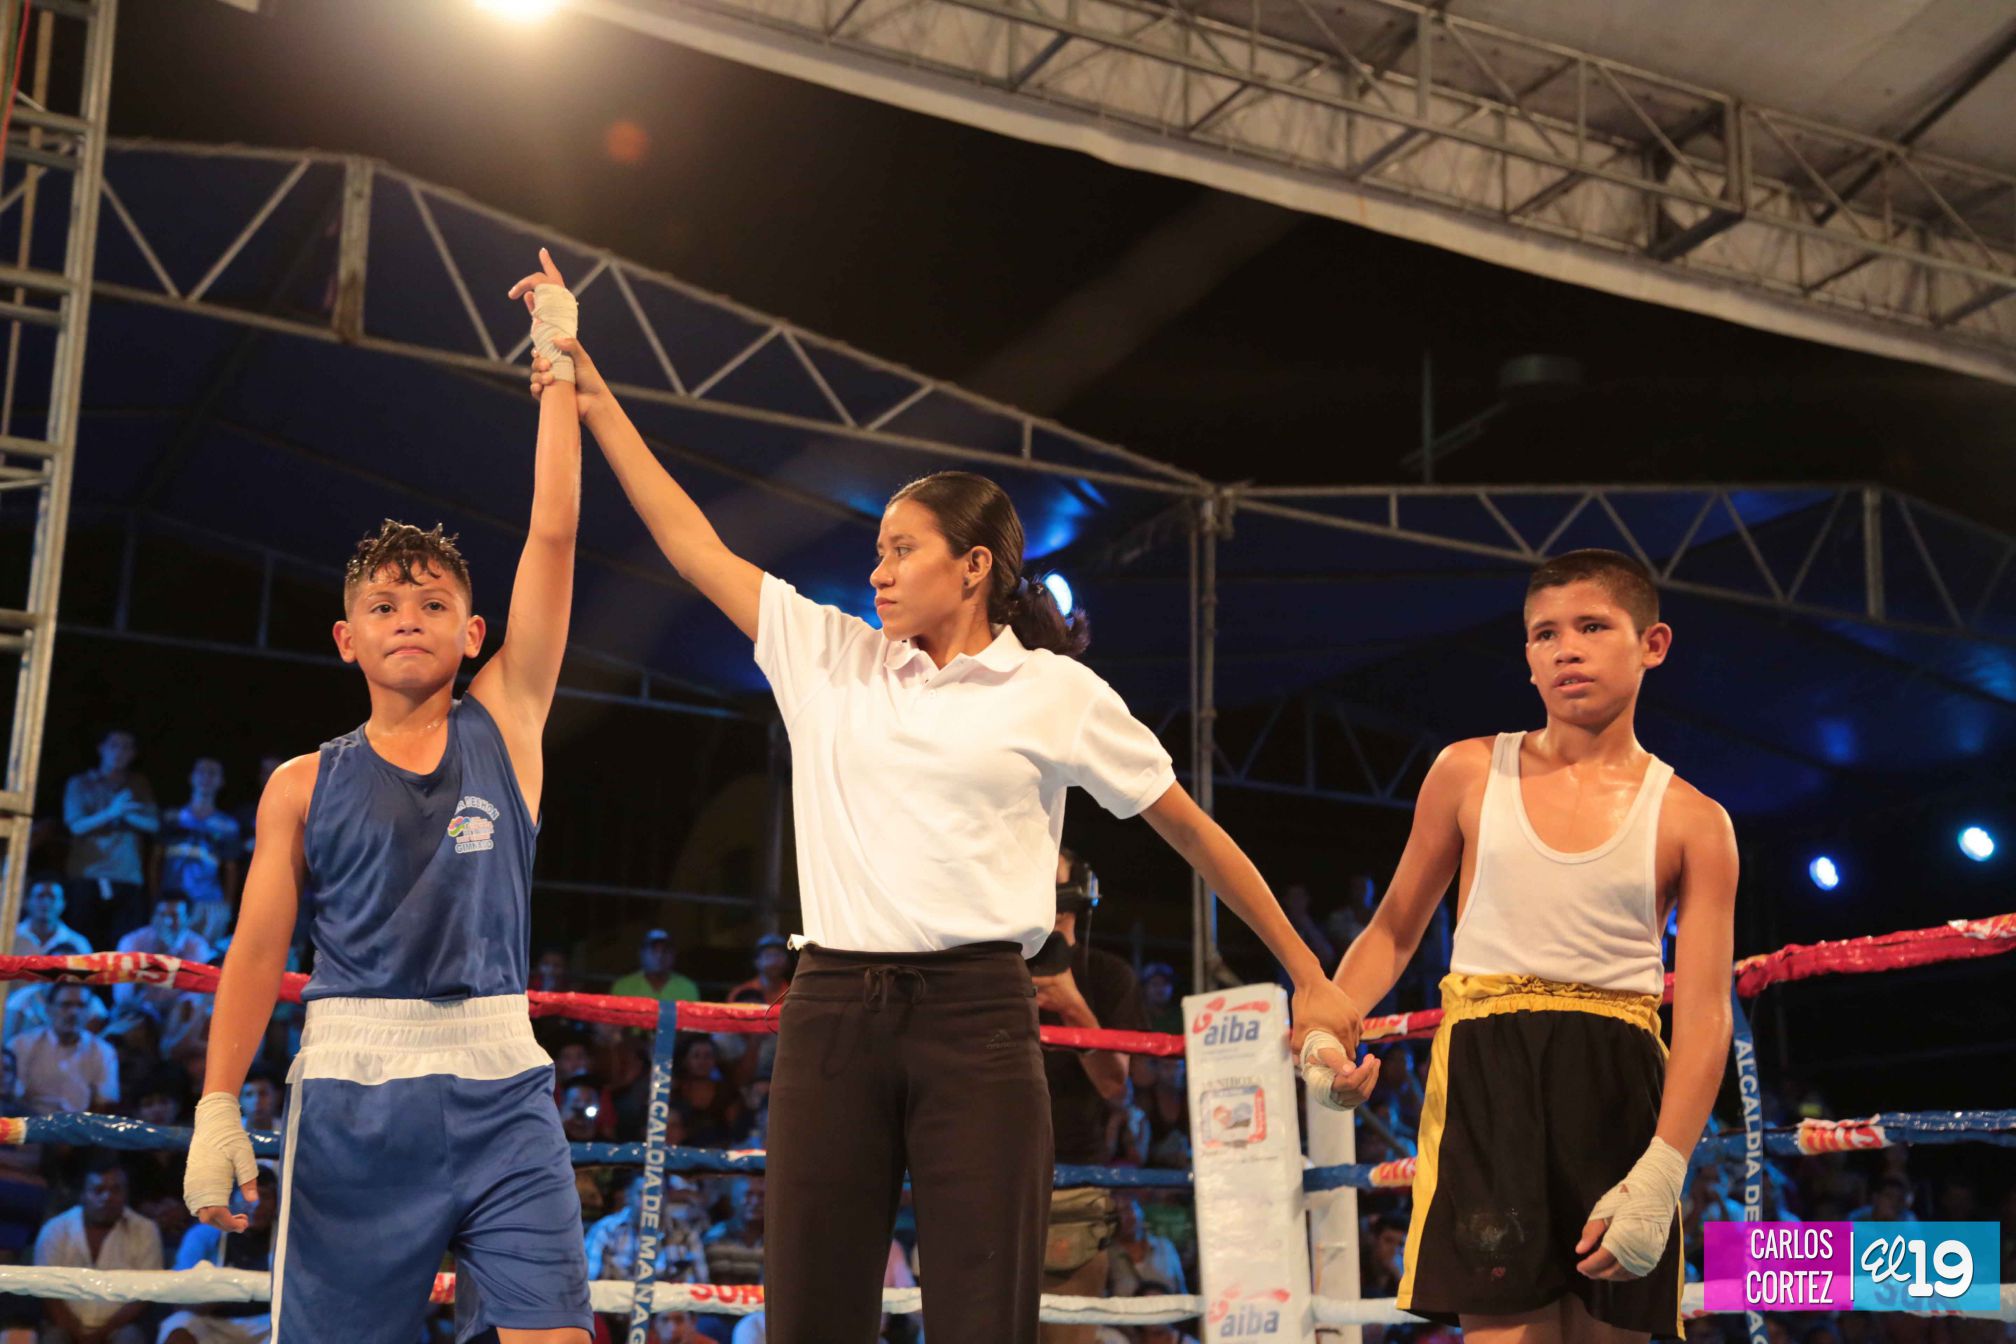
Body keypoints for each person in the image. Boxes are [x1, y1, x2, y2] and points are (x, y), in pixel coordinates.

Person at [529, 337, 1366, 1344]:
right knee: (809, 1321)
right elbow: (691, 544)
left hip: (979, 1019)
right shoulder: (829, 655)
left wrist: (1308, 972)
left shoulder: (1056, 692)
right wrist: (597, 398)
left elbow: (1192, 831)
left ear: (973, 567)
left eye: (900, 549)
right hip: (832, 1008)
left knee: (983, 1320)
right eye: (876, 550)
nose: (875, 569)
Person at [183, 250, 593, 1344]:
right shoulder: (300, 785)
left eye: (431, 600)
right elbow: (257, 951)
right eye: (382, 602)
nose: (405, 614)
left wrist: (558, 360)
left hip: (507, 1085)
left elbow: (553, 533)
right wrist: (219, 1103)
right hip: (356, 1094)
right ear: (347, 637)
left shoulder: (506, 722)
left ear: (472, 632)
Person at [1324, 549, 1740, 1344]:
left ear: (1652, 643)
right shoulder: (1469, 771)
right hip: (1489, 1076)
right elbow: (1394, 928)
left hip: (1619, 1081)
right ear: (1525, 655)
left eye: (1591, 626)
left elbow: (1707, 1011)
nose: (1565, 649)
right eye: (1543, 633)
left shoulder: (1695, 819)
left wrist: (1664, 1167)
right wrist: (1329, 1029)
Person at [1037, 849, 1145, 1344]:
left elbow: (1115, 1086)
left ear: (1080, 893)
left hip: (1072, 1191)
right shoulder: (986, 971)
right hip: (985, 1185)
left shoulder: (1106, 975)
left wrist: (1071, 1006)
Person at [33, 1156, 162, 1344]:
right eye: (98, 1190)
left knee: (130, 1338)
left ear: (126, 1193)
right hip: (65, 1326)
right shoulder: (56, 1228)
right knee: (55, 1338)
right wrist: (77, 1333)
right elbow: (46, 1290)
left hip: (120, 1327)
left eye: (115, 1189)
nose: (107, 1197)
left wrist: (101, 1333)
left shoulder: (145, 1230)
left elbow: (146, 1293)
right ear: (83, 1194)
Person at [62, 729, 159, 948]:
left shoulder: (138, 784)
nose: (120, 752)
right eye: (114, 745)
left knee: (123, 947)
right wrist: (112, 812)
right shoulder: (80, 783)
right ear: (101, 748)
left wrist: (126, 813)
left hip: (127, 877)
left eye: (126, 747)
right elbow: (76, 826)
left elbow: (153, 824)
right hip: (88, 876)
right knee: (83, 945)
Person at [162, 1164, 279, 1344]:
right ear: (232, 1198)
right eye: (248, 1195)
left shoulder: (287, 1239)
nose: (257, 1204)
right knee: (179, 1323)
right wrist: (217, 1294)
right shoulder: (202, 1235)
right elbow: (178, 1298)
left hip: (265, 1321)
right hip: (214, 1321)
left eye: (265, 1196)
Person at [152, 757, 243, 946]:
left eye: (212, 773)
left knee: (201, 956)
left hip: (208, 902)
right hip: (170, 898)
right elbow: (155, 859)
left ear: (221, 781)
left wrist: (226, 905)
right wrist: (154, 895)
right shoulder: (171, 817)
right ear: (191, 777)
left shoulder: (228, 825)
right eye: (201, 772)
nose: (206, 778)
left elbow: (231, 868)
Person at [5, 877, 92, 1040]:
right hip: (16, 1009)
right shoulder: (7, 939)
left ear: (63, 904)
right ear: (27, 901)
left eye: (52, 897)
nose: (45, 902)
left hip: (65, 1011)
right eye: (40, 896)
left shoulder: (79, 944)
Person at [12, 984, 118, 1113]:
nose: (73, 1012)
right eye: (65, 1005)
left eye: (81, 1006)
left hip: (80, 1127)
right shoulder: (21, 1045)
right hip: (30, 1123)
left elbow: (105, 1101)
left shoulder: (104, 1051)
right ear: (48, 1009)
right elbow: (12, 1096)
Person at [609, 930, 699, 1004]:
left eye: (665, 951)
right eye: (654, 951)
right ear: (642, 954)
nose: (660, 956)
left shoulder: (687, 987)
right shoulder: (623, 987)